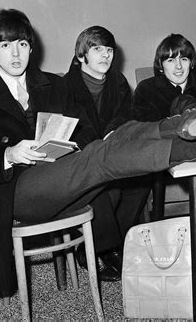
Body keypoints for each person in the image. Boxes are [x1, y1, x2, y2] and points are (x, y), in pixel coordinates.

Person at [0, 8, 196, 298]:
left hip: (64, 174)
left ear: (31, 47)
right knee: (101, 155)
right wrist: (8, 155)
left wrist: (75, 142)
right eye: (5, 46)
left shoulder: (52, 85)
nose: (16, 53)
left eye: (21, 43)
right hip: (16, 191)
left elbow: (84, 130)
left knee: (120, 133)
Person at [64, 26, 148, 281]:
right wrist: (99, 145)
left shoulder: (118, 81)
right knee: (108, 189)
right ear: (81, 55)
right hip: (82, 156)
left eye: (109, 50)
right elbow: (72, 125)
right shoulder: (65, 85)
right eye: (97, 49)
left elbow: (126, 114)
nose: (105, 55)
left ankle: (107, 245)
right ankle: (104, 248)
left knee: (141, 182)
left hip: (113, 150)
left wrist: (113, 132)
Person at [132, 33, 196, 122]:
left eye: (183, 59)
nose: (179, 66)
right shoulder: (146, 90)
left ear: (191, 63)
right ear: (161, 66)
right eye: (171, 60)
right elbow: (144, 130)